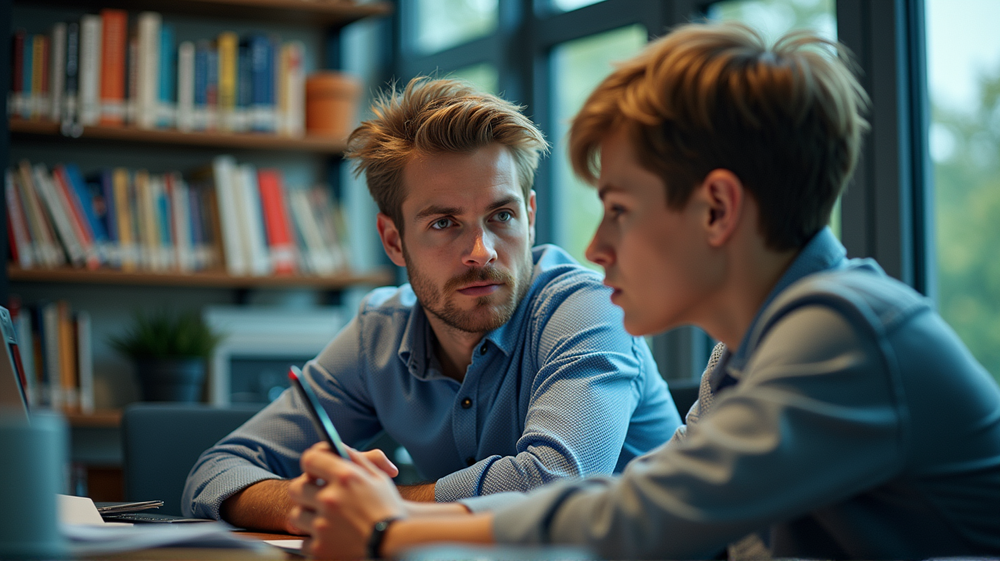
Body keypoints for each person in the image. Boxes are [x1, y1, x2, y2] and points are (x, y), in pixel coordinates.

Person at [285, 22, 1000, 560]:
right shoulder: (748, 353)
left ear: (717, 209)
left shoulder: (845, 330)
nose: (596, 247)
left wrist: (389, 526)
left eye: (620, 208)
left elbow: (646, 516)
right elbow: (627, 498)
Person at [182, 77, 682, 532]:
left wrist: (381, 507)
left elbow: (554, 483)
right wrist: (312, 502)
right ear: (394, 240)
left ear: (530, 216)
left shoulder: (589, 308)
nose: (481, 252)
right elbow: (215, 473)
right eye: (444, 223)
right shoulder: (378, 335)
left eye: (502, 215)